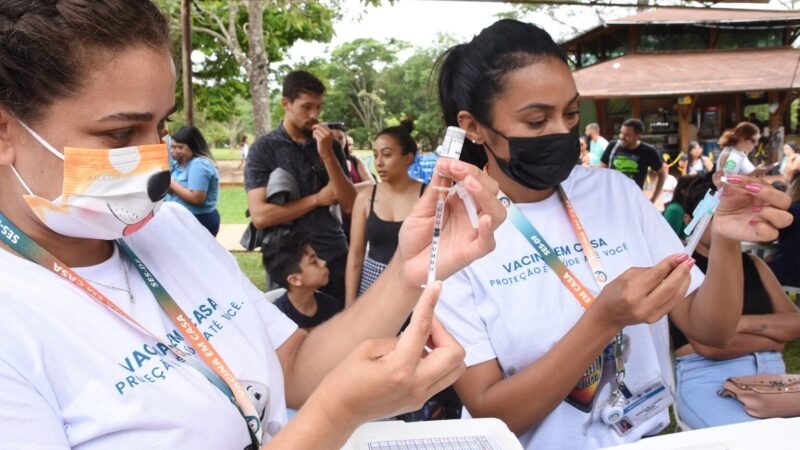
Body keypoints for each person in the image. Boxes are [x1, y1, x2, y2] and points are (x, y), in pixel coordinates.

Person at [0, 2, 509, 448]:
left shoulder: (172, 230)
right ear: (6, 132)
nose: (155, 163)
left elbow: (292, 366)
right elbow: (321, 402)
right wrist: (336, 415)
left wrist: (407, 269)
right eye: (119, 133)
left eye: (159, 127)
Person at [434, 18, 792, 449]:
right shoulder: (453, 231)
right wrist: (603, 320)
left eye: (569, 113)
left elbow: (709, 330)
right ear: (473, 126)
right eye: (535, 121)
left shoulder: (613, 192)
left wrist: (728, 239)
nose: (561, 133)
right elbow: (494, 414)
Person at [671, 177, 800, 429]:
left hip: (774, 378)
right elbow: (710, 346)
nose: (724, 221)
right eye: (715, 214)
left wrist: (739, 324)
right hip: (708, 378)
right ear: (690, 220)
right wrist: (774, 337)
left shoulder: (753, 264)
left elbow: (795, 323)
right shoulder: (680, 268)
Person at [245, 70, 356, 305]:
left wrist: (327, 154)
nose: (314, 115)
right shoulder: (264, 149)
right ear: (286, 103)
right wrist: (317, 199)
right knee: (296, 334)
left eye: (318, 107)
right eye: (307, 107)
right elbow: (260, 217)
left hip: (333, 255)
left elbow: (350, 204)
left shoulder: (330, 146)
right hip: (289, 262)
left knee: (341, 327)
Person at [345, 121, 426, 308]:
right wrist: (349, 305)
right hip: (372, 288)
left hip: (415, 290)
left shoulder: (427, 196)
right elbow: (356, 255)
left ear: (408, 157)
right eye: (375, 155)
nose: (379, 162)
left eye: (387, 154)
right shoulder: (366, 197)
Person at [262, 232, 339, 330]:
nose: (323, 262)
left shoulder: (331, 306)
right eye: (314, 262)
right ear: (294, 280)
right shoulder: (278, 318)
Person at [166, 125, 221, 236]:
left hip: (199, 219)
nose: (174, 151)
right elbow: (178, 191)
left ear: (193, 146)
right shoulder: (181, 163)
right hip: (183, 218)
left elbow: (196, 198)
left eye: (180, 147)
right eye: (172, 147)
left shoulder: (199, 164)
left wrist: (170, 181)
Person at [601, 118, 668, 203]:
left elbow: (662, 174)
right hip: (611, 198)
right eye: (621, 133)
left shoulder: (648, 151)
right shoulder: (612, 146)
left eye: (627, 135)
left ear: (637, 136)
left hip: (634, 200)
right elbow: (602, 171)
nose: (622, 137)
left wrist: (654, 198)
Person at [768, 172, 800, 288]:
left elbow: (768, 238)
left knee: (756, 268)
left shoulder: (791, 211)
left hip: (792, 271)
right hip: (792, 265)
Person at [327, 122, 375, 189]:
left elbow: (371, 183)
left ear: (345, 141)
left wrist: (346, 189)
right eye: (333, 138)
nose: (337, 142)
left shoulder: (355, 160)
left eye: (340, 138)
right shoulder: (317, 163)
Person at [662, 175, 700, 241]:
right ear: (683, 191)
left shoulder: (683, 209)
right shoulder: (675, 210)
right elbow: (670, 240)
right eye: (694, 188)